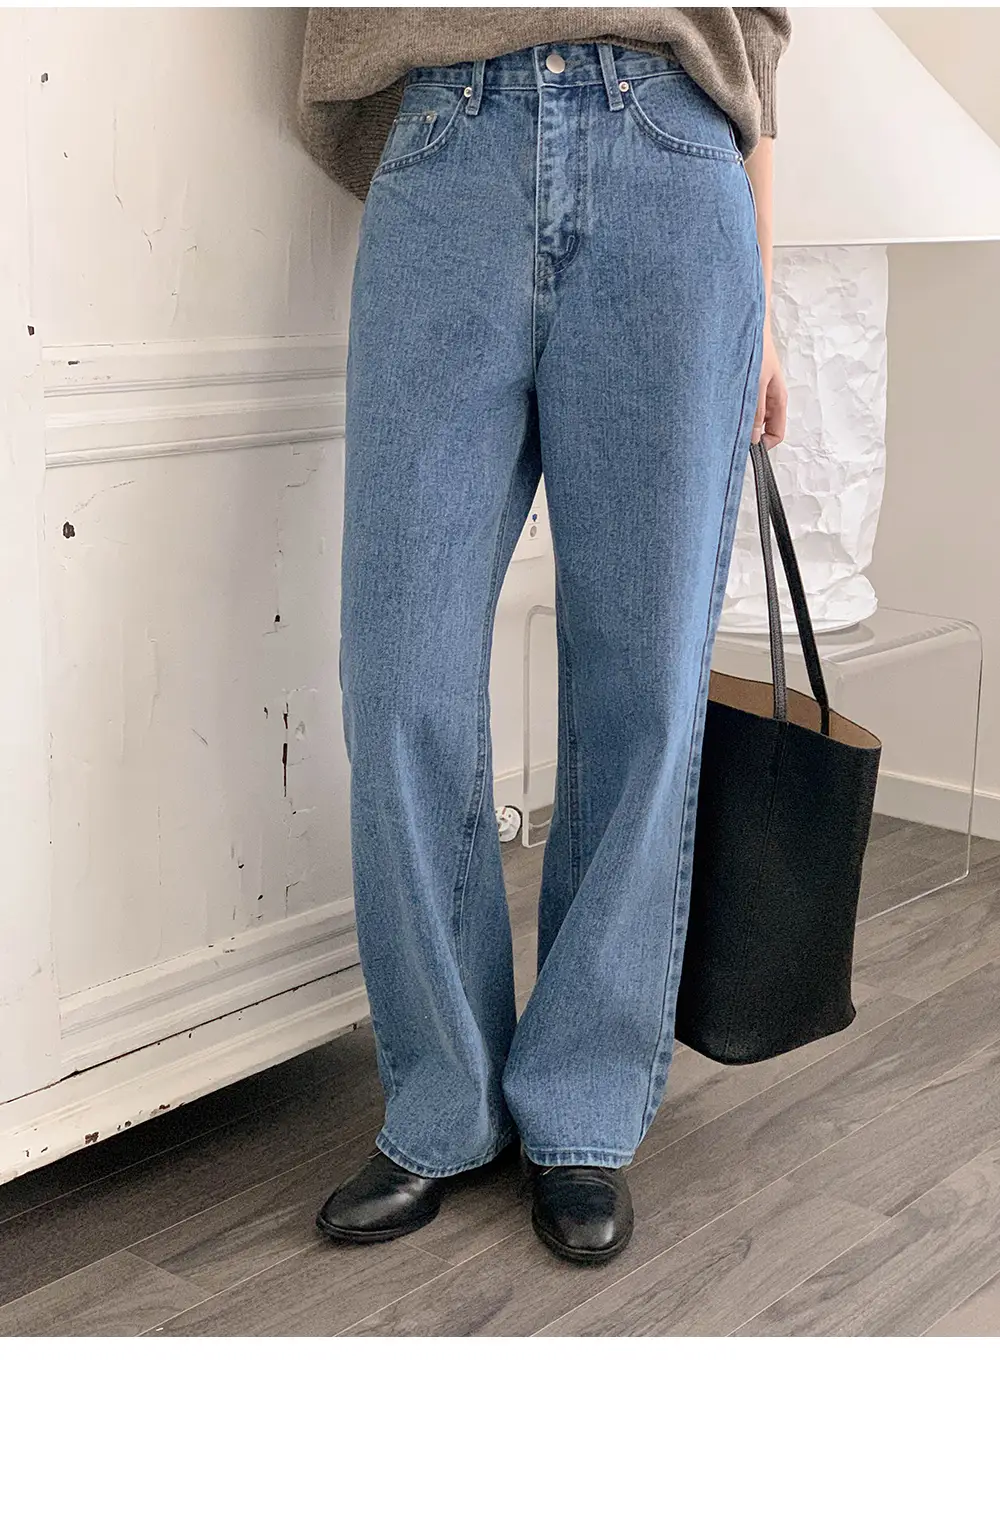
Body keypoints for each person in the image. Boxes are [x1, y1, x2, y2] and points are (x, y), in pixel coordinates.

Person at [297, 8, 790, 1267]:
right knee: (397, 674)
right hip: (443, 155)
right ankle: (442, 1101)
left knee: (645, 678)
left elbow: (756, 37)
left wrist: (761, 301)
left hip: (670, 159)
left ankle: (580, 1108)